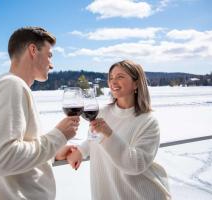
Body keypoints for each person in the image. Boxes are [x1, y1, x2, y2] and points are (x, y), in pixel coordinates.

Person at [0, 26, 80, 200]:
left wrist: (53, 153)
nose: (52, 64)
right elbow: (4, 159)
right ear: (33, 50)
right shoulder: (11, 86)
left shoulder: (5, 84)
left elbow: (15, 153)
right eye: (49, 55)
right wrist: (58, 136)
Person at [67, 60, 171, 200]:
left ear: (136, 83)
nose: (113, 82)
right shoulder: (102, 113)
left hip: (142, 194)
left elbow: (135, 164)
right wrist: (81, 151)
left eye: (120, 77)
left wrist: (109, 134)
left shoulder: (148, 122)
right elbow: (93, 138)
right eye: (111, 78)